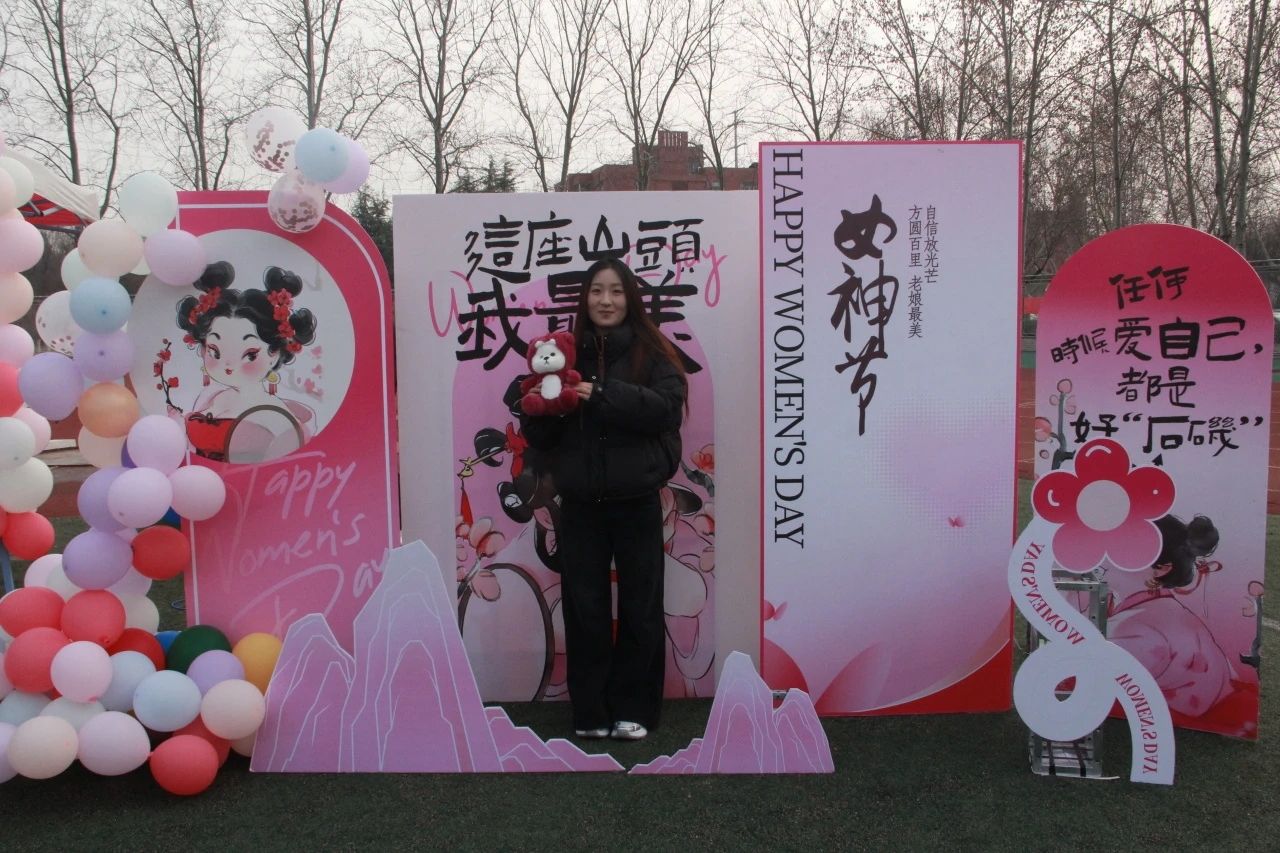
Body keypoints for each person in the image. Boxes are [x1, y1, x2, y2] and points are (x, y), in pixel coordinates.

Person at [519, 258, 687, 741]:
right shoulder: (560, 353)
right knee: (585, 608)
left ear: (630, 299)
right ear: (585, 298)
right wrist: (547, 406)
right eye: (597, 291)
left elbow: (666, 409)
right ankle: (590, 711)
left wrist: (601, 393)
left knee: (641, 607)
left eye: (615, 291)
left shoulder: (653, 353)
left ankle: (635, 709)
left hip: (637, 501)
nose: (606, 301)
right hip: (579, 506)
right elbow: (538, 437)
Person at [173, 261, 318, 463]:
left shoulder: (277, 418)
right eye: (215, 351)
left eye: (250, 354)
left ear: (274, 354)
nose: (228, 365)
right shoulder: (211, 396)